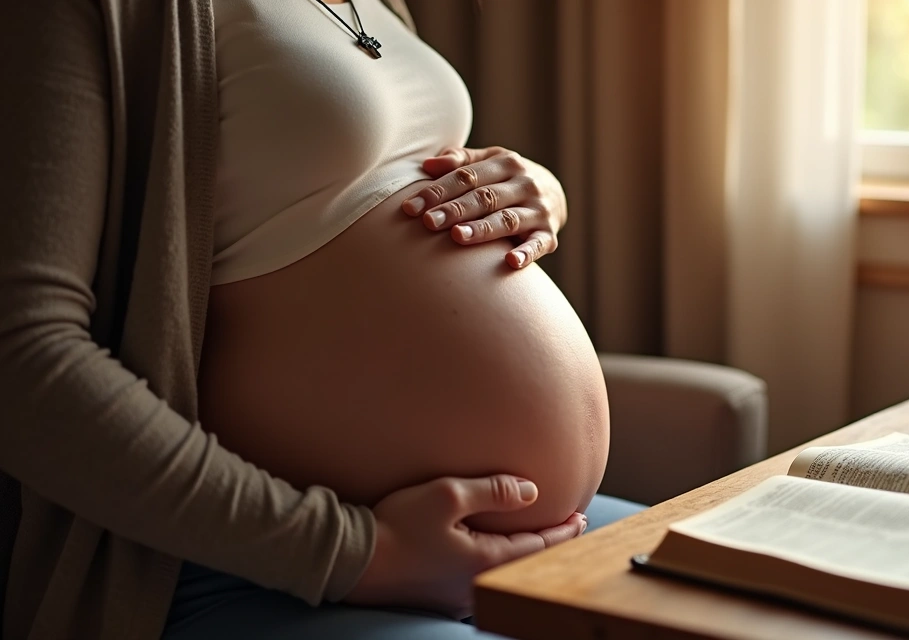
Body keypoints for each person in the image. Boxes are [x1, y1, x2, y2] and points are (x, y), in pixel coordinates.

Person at [0, 1, 643, 638]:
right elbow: (25, 360)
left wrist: (539, 190)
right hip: (255, 565)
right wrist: (353, 555)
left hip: (510, 540)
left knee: (705, 598)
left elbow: (365, 183)